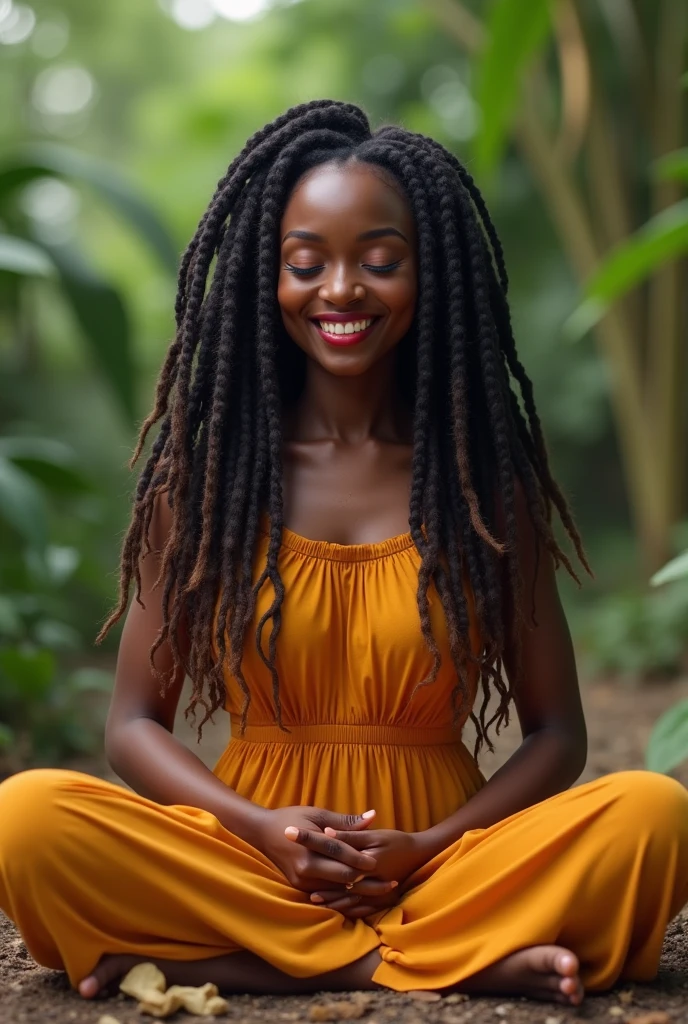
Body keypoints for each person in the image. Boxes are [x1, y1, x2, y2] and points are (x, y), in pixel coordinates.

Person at [0, 99, 686, 1009]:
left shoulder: (483, 489)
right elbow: (131, 724)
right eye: (306, 262)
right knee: (27, 815)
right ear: (267, 279)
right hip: (248, 860)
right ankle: (430, 961)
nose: (340, 290)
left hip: (442, 861)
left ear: (427, 274)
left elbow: (559, 734)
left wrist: (426, 848)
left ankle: (251, 962)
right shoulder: (205, 486)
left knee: (653, 814)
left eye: (379, 261)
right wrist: (259, 828)